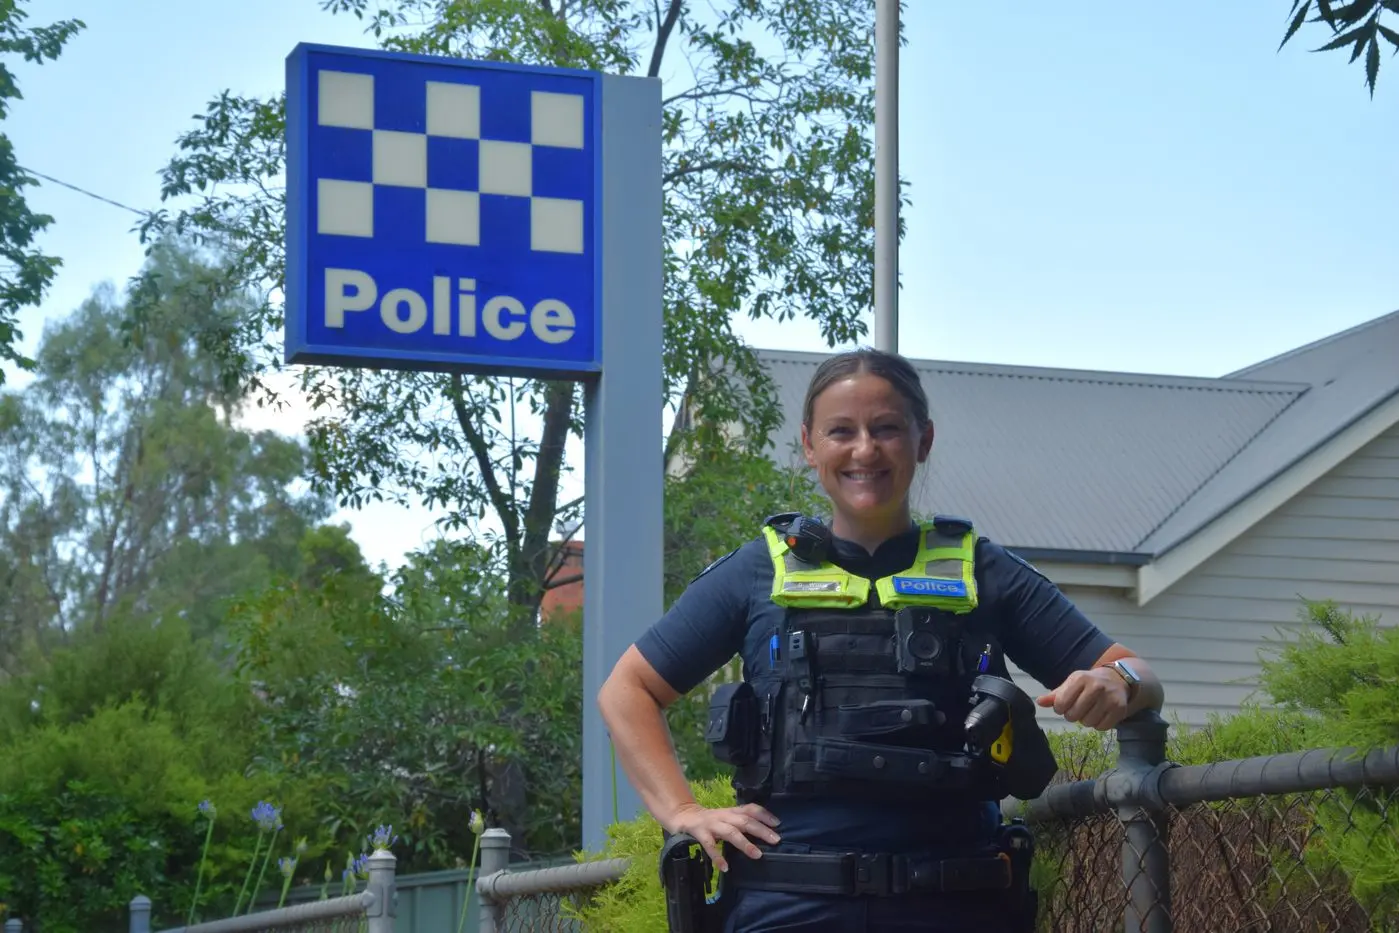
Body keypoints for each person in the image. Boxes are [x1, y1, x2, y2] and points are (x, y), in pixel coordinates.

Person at [597, 347, 1166, 933]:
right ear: (809, 445)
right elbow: (627, 690)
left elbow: (1137, 673)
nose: (865, 449)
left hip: (955, 904)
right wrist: (683, 811)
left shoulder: (985, 573)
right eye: (842, 431)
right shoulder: (754, 575)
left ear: (924, 441)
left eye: (887, 429)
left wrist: (1115, 682)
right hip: (786, 907)